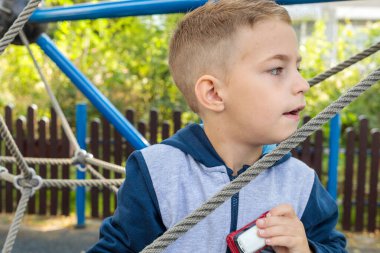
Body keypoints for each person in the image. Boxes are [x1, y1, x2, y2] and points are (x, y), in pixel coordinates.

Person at [88, 0, 347, 252]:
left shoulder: (299, 182)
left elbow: (333, 246)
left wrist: (306, 249)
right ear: (213, 93)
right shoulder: (158, 173)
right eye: (277, 69)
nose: (303, 84)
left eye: (298, 67)